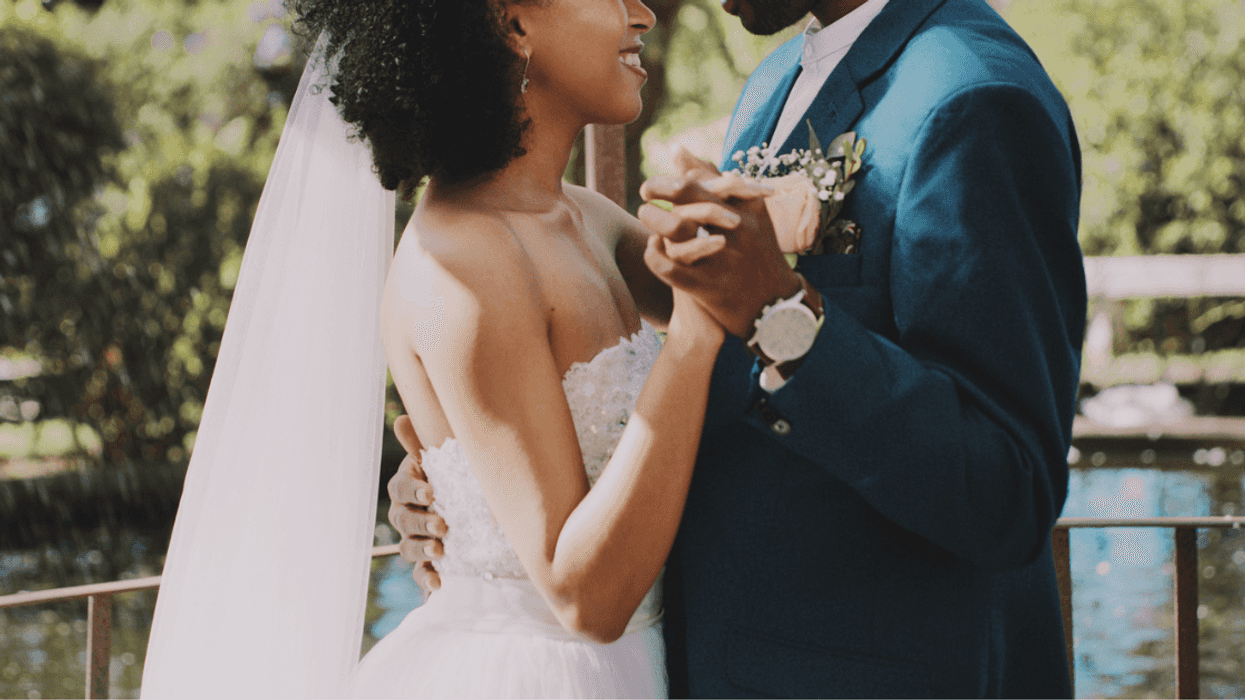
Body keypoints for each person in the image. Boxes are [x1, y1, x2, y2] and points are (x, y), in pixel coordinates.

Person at [390, 0, 1088, 695]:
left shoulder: (971, 96)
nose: (649, 8)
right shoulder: (777, 79)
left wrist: (777, 310)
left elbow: (1009, 490)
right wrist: (474, 489)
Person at [142, 0, 763, 697]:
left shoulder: (586, 220)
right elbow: (583, 598)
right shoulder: (461, 264)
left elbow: (748, 298)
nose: (643, 14)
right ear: (513, 23)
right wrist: (690, 335)